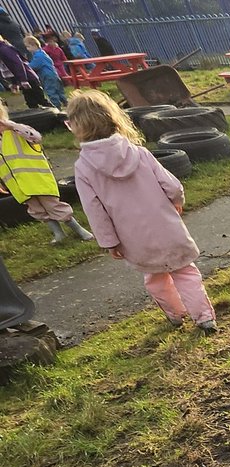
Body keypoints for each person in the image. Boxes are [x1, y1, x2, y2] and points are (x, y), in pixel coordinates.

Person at [68, 90, 216, 331]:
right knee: (186, 272)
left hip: (134, 238)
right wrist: (177, 201)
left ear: (76, 127)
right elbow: (172, 185)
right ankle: (204, 318)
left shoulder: (84, 168)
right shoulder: (139, 153)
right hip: (167, 228)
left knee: (155, 278)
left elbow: (94, 210)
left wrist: (109, 242)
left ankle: (176, 314)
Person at [0, 102, 91, 243]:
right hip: (16, 184)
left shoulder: (16, 130)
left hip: (36, 177)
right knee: (36, 209)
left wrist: (12, 126)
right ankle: (58, 233)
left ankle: (78, 229)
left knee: (53, 205)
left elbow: (36, 137)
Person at [0, 36, 47, 109]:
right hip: (24, 78)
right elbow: (10, 68)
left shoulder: (4, 49)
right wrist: (15, 83)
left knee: (41, 100)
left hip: (28, 78)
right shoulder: (4, 49)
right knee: (31, 102)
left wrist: (23, 80)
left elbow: (17, 63)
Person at [24, 37, 63, 108]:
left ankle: (56, 106)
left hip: (47, 75)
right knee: (58, 89)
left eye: (28, 47)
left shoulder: (38, 56)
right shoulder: (42, 53)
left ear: (34, 45)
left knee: (50, 91)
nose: (27, 49)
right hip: (53, 73)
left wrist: (26, 65)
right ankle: (65, 101)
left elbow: (33, 66)